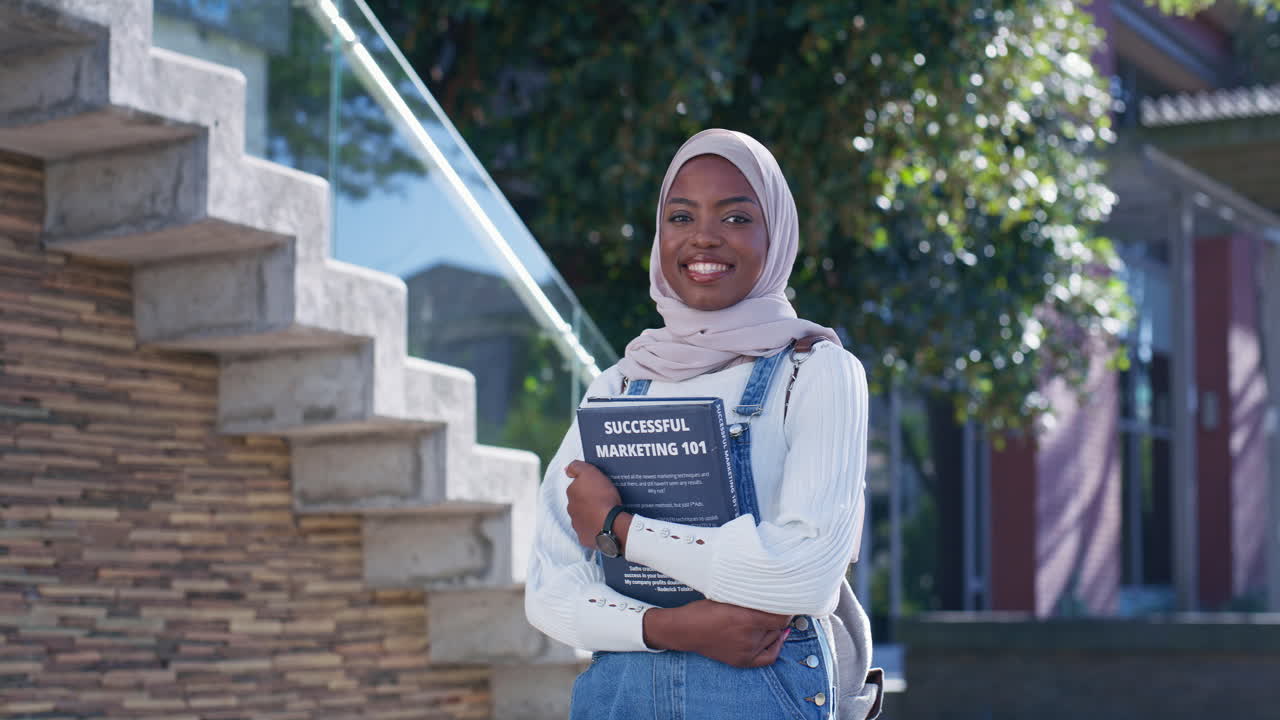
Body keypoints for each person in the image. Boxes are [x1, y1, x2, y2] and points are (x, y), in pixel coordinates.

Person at [525, 128, 881, 720]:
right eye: (680, 216)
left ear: (778, 235)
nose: (703, 237)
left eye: (737, 217)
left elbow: (803, 577)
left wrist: (620, 527)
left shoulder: (818, 373)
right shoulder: (618, 386)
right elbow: (548, 593)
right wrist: (677, 627)